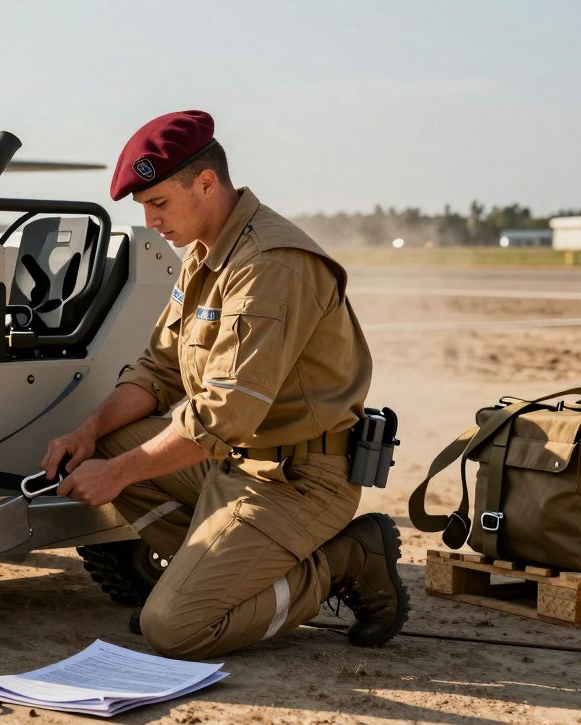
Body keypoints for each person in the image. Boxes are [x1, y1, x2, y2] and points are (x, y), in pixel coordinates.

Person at [41, 110, 408, 660]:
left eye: (159, 202)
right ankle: (209, 575)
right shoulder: (206, 257)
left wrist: (117, 473)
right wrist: (89, 434)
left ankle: (342, 561)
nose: (151, 220)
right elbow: (158, 370)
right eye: (144, 207)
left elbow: (222, 413)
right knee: (112, 445)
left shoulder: (270, 264)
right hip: (231, 462)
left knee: (176, 629)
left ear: (207, 183)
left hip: (296, 478)